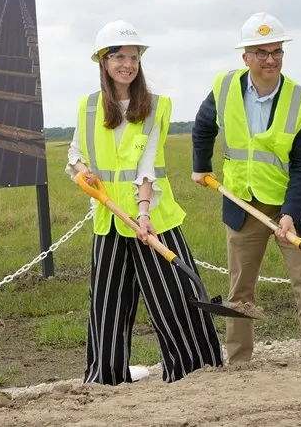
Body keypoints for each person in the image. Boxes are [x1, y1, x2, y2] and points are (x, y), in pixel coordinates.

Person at [67, 20, 223, 385]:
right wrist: (81, 172)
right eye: (118, 56)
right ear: (103, 62)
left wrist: (143, 212)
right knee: (107, 305)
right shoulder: (88, 107)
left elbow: (147, 165)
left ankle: (195, 369)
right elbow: (75, 154)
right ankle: (105, 377)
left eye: (133, 57)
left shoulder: (155, 106)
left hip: (154, 218)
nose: (127, 64)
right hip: (108, 219)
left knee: (173, 298)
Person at [190, 12, 301, 363]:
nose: (271, 59)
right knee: (240, 290)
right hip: (243, 204)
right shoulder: (224, 88)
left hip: (292, 206)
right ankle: (239, 361)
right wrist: (200, 167)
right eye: (261, 52)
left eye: (277, 52)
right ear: (246, 57)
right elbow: (203, 125)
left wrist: (290, 214)